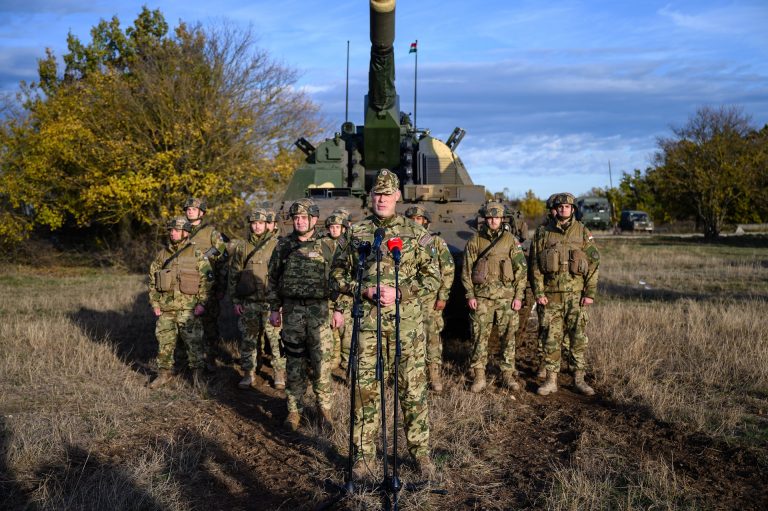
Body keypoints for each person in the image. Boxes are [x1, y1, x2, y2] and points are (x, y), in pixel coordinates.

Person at [330, 169, 440, 478]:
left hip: (407, 329)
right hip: (367, 327)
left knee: (413, 392)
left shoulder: (417, 234)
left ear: (397, 197)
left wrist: (401, 292)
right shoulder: (356, 233)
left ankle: (420, 456)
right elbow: (336, 275)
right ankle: (363, 458)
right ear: (371, 197)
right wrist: (361, 289)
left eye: (387, 193)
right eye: (376, 194)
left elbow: (433, 277)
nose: (381, 198)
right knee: (365, 392)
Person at [267, 199, 340, 431]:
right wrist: (273, 309)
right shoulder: (283, 246)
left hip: (319, 313)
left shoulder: (327, 245)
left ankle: (324, 410)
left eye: (303, 217)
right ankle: (294, 411)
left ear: (314, 219)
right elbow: (273, 279)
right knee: (294, 363)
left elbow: (340, 280)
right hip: (291, 312)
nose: (298, 221)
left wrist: (340, 309)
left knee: (321, 364)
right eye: (295, 218)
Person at [530, 192, 600, 396]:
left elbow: (594, 264)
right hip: (551, 296)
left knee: (578, 338)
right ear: (556, 209)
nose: (563, 210)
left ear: (573, 209)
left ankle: (579, 380)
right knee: (551, 338)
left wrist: (590, 293)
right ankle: (551, 381)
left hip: (576, 296)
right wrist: (539, 292)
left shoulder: (583, 232)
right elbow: (534, 265)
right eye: (560, 207)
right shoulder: (543, 233)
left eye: (567, 207)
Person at [461, 202, 527, 393]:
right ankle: (479, 377)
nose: (492, 221)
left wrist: (518, 296)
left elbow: (521, 271)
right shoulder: (475, 241)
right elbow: (466, 271)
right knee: (479, 337)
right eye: (489, 218)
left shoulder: (511, 241)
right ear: (485, 219)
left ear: (501, 219)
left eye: (496, 218)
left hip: (507, 298)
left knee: (508, 338)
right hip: (482, 299)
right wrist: (470, 294)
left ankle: (507, 375)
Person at [148, 216, 213, 389]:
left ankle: (198, 377)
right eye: (171, 230)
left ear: (186, 232)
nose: (173, 233)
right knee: (164, 343)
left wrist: (202, 304)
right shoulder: (162, 256)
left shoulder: (197, 254)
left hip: (189, 309)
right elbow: (153, 281)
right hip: (166, 309)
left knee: (194, 344)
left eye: (176, 230)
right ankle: (164, 374)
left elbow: (207, 281)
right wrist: (155, 304)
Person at [228, 209, 286, 390]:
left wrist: (282, 303)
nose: (257, 226)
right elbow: (233, 275)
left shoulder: (277, 245)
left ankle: (279, 373)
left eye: (260, 223)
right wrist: (236, 301)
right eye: (253, 223)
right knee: (249, 340)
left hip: (271, 303)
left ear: (267, 224)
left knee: (276, 341)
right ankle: (249, 373)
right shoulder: (242, 247)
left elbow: (284, 275)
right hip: (250, 302)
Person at [404, 205, 455, 392]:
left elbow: (448, 270)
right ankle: (411, 377)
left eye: (418, 219)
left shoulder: (435, 242)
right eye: (411, 219)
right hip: (406, 299)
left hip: (430, 300)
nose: (414, 222)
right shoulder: (401, 241)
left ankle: (434, 376)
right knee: (408, 339)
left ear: (425, 221)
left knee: (432, 338)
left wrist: (443, 295)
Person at [183, 197, 228, 370]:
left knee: (209, 325)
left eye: (193, 209)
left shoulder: (211, 232)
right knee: (187, 324)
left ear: (201, 212)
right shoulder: (181, 230)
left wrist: (221, 287)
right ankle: (191, 359)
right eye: (187, 209)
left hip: (208, 286)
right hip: (185, 287)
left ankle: (210, 358)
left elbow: (222, 256)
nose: (189, 211)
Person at [324, 212, 353, 374]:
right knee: (331, 332)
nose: (334, 230)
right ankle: (333, 361)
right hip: (328, 295)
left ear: (344, 228)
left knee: (347, 334)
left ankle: (348, 364)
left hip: (346, 296)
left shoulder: (349, 245)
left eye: (338, 227)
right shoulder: (323, 244)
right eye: (332, 227)